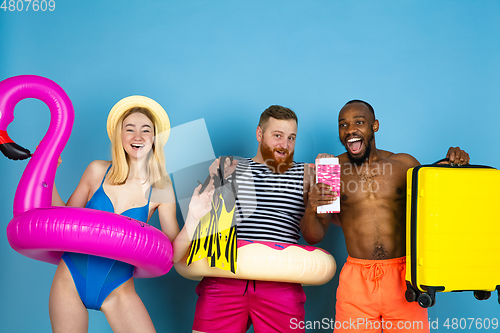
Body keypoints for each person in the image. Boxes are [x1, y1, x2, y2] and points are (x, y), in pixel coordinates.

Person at [301, 100, 470, 333]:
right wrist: (311, 206)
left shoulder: (404, 165)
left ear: (375, 126)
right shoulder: (331, 171)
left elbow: (434, 212)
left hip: (405, 278)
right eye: (343, 125)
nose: (350, 129)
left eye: (359, 122)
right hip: (356, 282)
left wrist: (451, 165)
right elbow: (314, 236)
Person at [50, 96, 214, 333]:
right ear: (120, 136)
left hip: (118, 288)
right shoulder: (97, 170)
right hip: (70, 279)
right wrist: (50, 174)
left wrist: (194, 218)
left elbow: (173, 253)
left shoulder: (162, 186)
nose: (138, 136)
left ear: (154, 139)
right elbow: (64, 218)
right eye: (130, 129)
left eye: (146, 130)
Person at [176, 105, 318, 333]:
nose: (285, 145)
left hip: (280, 285)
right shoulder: (229, 166)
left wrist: (330, 169)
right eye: (278, 136)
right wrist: (219, 180)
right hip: (224, 281)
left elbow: (319, 233)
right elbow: (201, 222)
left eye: (292, 138)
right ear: (259, 134)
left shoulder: (308, 172)